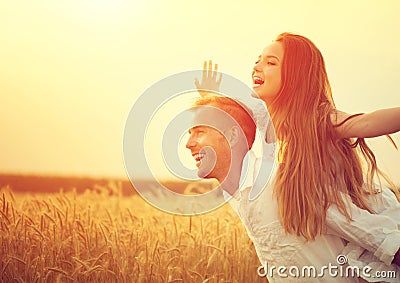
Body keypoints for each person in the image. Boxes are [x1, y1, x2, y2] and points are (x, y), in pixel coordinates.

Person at [191, 34, 400, 281]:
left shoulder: (315, 118)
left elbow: (365, 122)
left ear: (294, 76)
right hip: (325, 218)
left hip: (354, 212)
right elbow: (227, 114)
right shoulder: (264, 113)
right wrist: (210, 99)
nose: (257, 66)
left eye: (271, 62)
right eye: (258, 60)